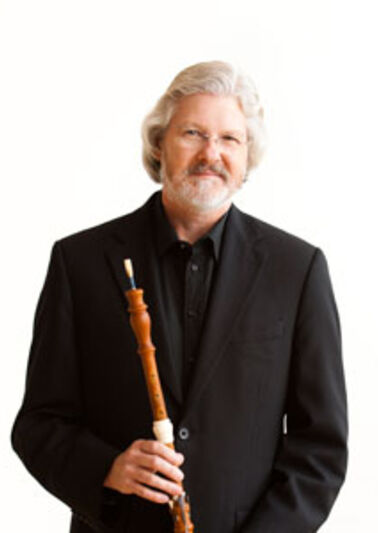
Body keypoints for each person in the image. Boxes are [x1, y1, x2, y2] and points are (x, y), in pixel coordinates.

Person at [12, 61, 348, 533]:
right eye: (192, 133)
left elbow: (320, 449)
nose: (211, 153)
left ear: (247, 155)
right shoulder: (80, 262)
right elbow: (39, 424)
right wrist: (106, 469)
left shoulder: (297, 270)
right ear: (159, 144)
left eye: (230, 138)